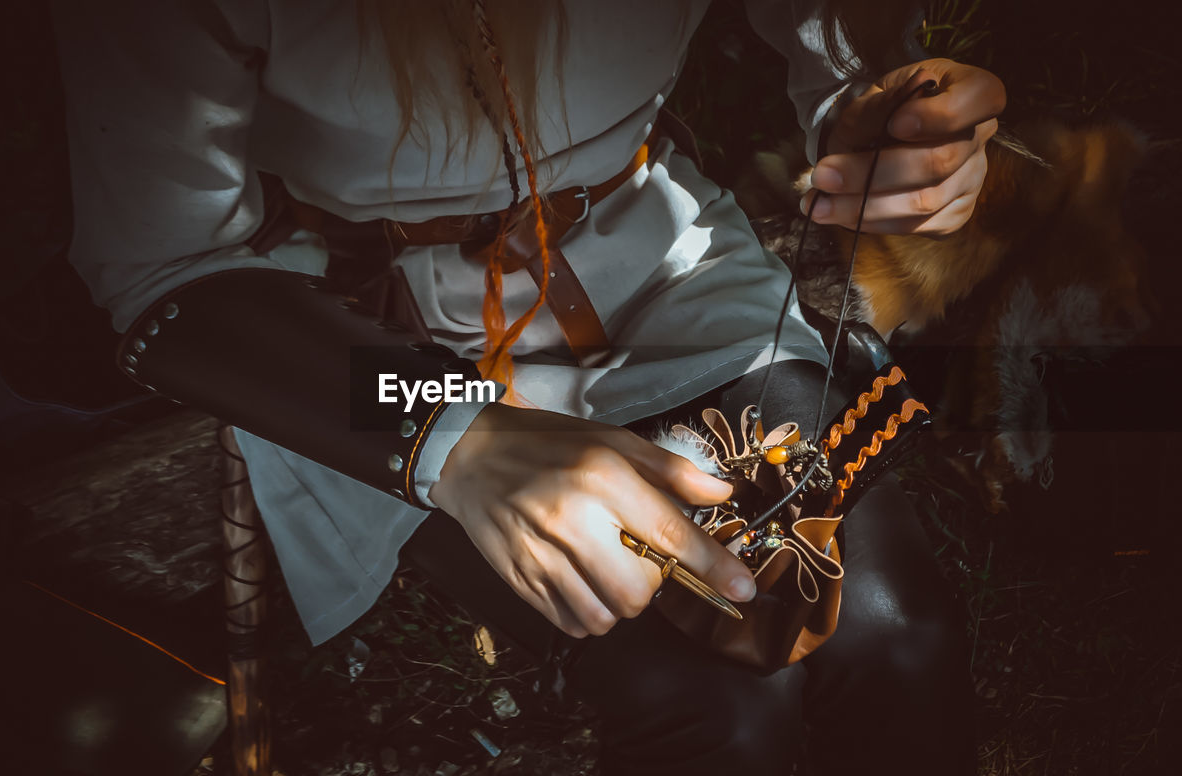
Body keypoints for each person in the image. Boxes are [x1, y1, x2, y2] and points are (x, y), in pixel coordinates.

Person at [52, 1, 1005, 773]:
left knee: (896, 637)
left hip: (663, 260)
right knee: (715, 712)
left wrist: (882, 118)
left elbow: (841, 44)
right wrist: (456, 437)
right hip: (367, 341)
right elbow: (166, 270)